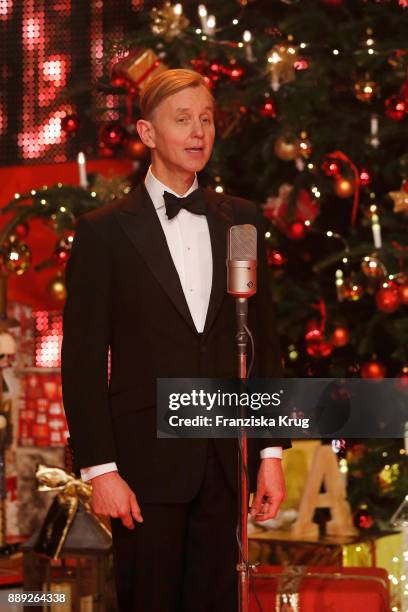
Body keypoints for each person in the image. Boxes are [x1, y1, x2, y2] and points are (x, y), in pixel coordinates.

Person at [61, 68, 291, 612]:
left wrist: (271, 452)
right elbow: (84, 360)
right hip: (142, 468)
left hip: (222, 460)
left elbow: (261, 341)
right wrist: (100, 469)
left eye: (206, 120)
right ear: (146, 133)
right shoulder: (104, 232)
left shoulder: (241, 222)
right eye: (182, 119)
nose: (197, 133)